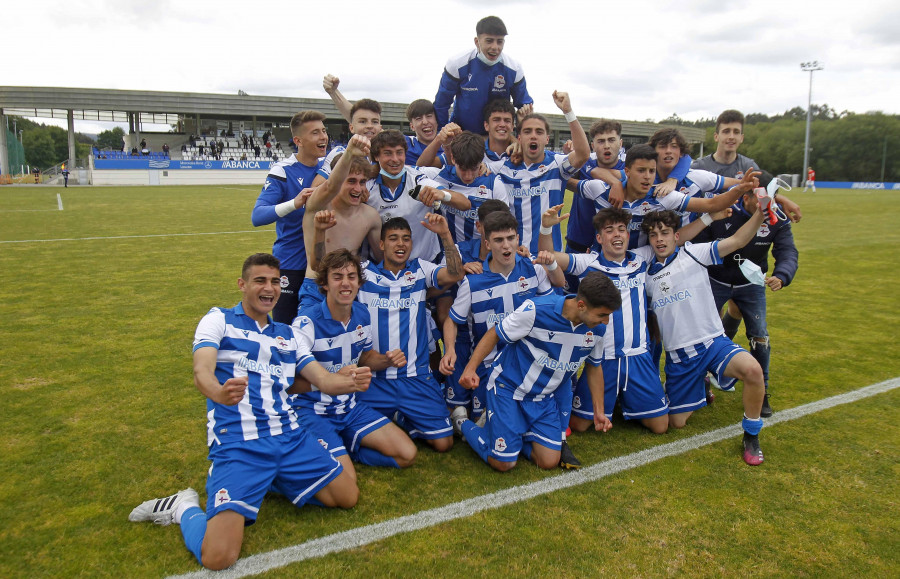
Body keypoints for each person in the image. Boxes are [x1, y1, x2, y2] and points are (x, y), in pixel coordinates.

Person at [128, 253, 370, 570]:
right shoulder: (218, 320)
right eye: (259, 281)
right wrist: (219, 392)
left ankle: (274, 479)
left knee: (347, 497)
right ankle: (183, 507)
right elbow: (202, 371)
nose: (268, 288)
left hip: (290, 438)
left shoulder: (289, 336)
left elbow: (321, 380)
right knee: (218, 557)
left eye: (274, 282)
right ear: (243, 285)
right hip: (241, 445)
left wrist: (350, 380)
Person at [453, 272, 622, 472]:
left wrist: (599, 411)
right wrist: (470, 369)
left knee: (549, 461)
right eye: (602, 315)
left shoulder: (598, 330)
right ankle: (462, 422)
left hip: (544, 398)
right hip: (508, 389)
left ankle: (508, 432)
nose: (606, 322)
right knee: (504, 463)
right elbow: (495, 333)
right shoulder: (536, 310)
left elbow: (594, 367)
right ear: (581, 305)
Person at [641, 210, 768, 465]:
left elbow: (737, 241)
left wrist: (760, 215)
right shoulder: (645, 275)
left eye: (665, 233)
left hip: (713, 343)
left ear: (676, 236)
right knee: (676, 423)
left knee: (753, 371)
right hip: (680, 358)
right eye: (654, 235)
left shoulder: (693, 253)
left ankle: (751, 434)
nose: (659, 239)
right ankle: (702, 383)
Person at [290, 249, 418, 471]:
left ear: (359, 283)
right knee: (341, 476)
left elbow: (366, 357)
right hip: (312, 411)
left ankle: (348, 448)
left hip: (349, 409)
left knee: (407, 454)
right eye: (337, 277)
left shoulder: (362, 314)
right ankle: (328, 453)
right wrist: (329, 379)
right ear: (325, 284)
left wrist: (387, 360)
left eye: (351, 277)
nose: (345, 284)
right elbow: (287, 382)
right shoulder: (305, 324)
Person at [355, 215, 465, 452]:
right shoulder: (363, 274)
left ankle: (401, 417)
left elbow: (455, 274)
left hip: (414, 378)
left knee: (443, 443)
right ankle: (398, 416)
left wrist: (445, 234)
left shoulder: (419, 270)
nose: (401, 244)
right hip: (375, 379)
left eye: (406, 239)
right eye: (393, 239)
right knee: (352, 431)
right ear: (382, 245)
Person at [694, 177, 799, 417]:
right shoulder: (725, 210)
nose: (765, 204)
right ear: (746, 197)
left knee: (760, 336)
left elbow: (787, 250)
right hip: (715, 280)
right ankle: (700, 381)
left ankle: (761, 392)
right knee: (702, 333)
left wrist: (782, 275)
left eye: (770, 199)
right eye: (760, 198)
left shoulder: (777, 218)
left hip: (751, 284)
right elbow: (698, 243)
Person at [441, 211, 558, 421]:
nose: (506, 246)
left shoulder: (534, 270)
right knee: (489, 425)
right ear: (487, 244)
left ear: (518, 239)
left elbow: (554, 305)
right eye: (499, 240)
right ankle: (464, 421)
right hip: (489, 365)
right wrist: (449, 349)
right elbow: (452, 320)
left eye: (511, 238)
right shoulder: (473, 282)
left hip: (529, 362)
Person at [251, 110, 328, 323]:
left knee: (319, 329)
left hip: (323, 264)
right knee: (286, 330)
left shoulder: (329, 168)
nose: (323, 137)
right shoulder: (283, 170)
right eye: (315, 133)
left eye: (323, 131)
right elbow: (257, 216)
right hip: (291, 264)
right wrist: (295, 202)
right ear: (298, 140)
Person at [492, 90, 590, 255]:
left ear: (547, 139)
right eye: (527, 131)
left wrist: (568, 112)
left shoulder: (556, 165)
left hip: (550, 258)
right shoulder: (503, 169)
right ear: (519, 138)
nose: (533, 136)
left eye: (539, 132)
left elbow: (583, 154)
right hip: (514, 257)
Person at [295, 135, 384, 313]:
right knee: (308, 339)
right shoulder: (318, 205)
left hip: (350, 288)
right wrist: (349, 151)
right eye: (350, 181)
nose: (358, 189)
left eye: (362, 182)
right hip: (317, 286)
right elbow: (330, 187)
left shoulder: (370, 216)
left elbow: (381, 258)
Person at [364, 130, 471, 262]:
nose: (395, 159)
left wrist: (442, 194)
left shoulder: (418, 179)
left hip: (424, 265)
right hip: (385, 268)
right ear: (376, 156)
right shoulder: (367, 187)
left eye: (399, 152)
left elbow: (465, 204)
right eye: (387, 153)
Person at [434, 16, 533, 134]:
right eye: (489, 41)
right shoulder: (457, 64)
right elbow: (441, 105)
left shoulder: (514, 68)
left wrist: (520, 137)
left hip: (497, 138)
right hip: (463, 137)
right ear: (477, 42)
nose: (495, 47)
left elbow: (525, 107)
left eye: (500, 42)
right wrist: (442, 135)